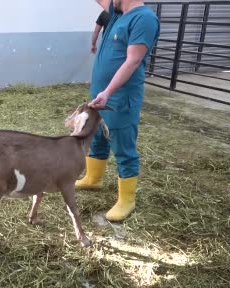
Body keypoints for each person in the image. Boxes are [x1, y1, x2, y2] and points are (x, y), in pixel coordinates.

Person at [75, 0, 160, 221]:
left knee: (122, 143)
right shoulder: (117, 13)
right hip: (101, 94)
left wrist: (108, 92)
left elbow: (133, 61)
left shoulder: (144, 18)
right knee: (97, 137)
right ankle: (94, 178)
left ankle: (126, 200)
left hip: (119, 96)